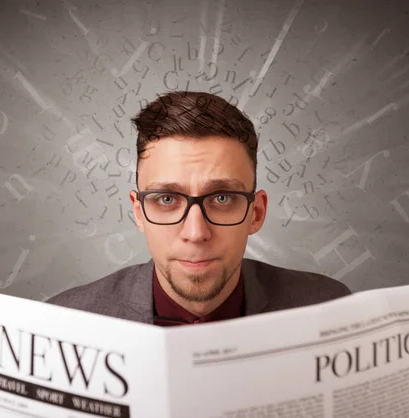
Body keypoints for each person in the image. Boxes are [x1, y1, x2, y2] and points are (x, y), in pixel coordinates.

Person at [47, 91, 351, 326]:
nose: (196, 233)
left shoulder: (330, 309)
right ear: (139, 213)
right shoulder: (61, 323)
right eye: (166, 199)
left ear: (256, 213)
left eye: (222, 198)